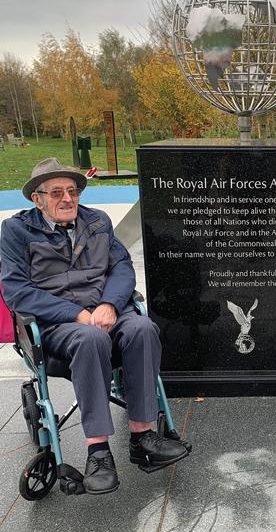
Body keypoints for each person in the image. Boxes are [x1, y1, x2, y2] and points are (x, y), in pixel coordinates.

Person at [0, 158, 191, 495]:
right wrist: (75, 314)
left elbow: (122, 268)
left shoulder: (98, 221)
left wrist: (109, 305)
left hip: (107, 312)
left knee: (143, 328)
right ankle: (98, 452)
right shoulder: (16, 231)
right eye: (56, 192)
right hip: (58, 323)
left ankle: (142, 436)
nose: (67, 199)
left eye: (72, 191)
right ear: (37, 199)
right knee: (90, 339)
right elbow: (17, 291)